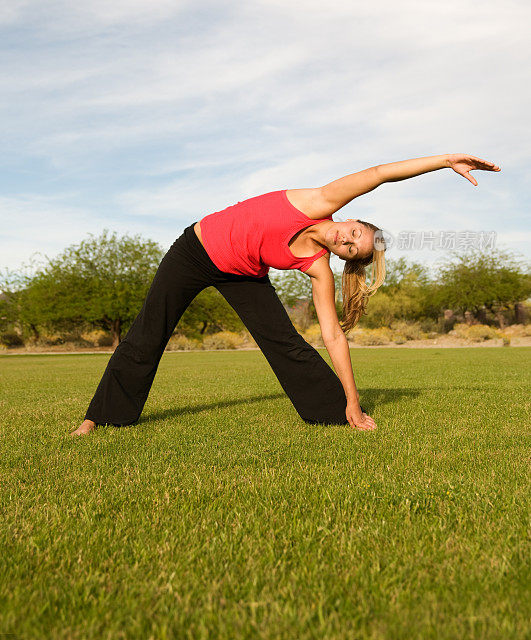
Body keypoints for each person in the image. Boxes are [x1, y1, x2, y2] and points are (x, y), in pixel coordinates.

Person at [71, 153, 500, 436]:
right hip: (194, 251)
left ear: (345, 255)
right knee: (149, 332)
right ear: (350, 218)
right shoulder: (319, 200)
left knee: (285, 343)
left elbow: (332, 335)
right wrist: (444, 160)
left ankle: (336, 415)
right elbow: (379, 175)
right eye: (353, 232)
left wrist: (353, 400)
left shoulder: (318, 269)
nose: (346, 240)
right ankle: (99, 418)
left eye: (351, 247)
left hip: (240, 273)